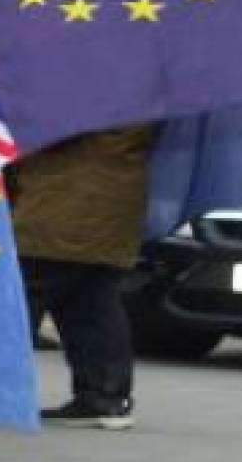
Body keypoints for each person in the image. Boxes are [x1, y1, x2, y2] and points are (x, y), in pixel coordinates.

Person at [12, 124, 160, 430]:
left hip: (58, 208)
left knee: (17, 302)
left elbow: (44, 132)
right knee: (92, 303)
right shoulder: (136, 91)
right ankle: (103, 399)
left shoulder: (86, 90)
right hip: (109, 211)